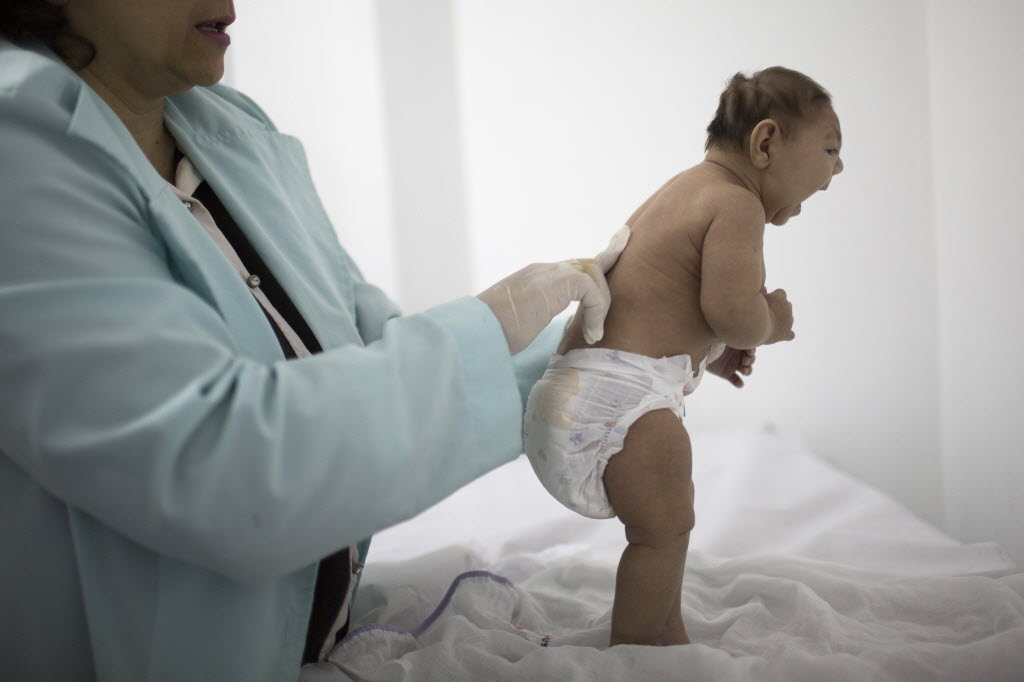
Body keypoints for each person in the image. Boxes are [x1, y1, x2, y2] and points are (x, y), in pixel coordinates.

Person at [0, 3, 628, 680]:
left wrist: (605, 350)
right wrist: (492, 320)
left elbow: (366, 360)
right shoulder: (18, 146)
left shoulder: (228, 127)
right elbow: (227, 471)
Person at [524, 66, 844, 647]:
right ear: (766, 143)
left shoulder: (688, 188)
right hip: (611, 402)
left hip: (576, 393)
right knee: (665, 529)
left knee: (661, 522)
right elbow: (732, 311)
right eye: (829, 149)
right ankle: (648, 641)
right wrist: (771, 321)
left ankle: (650, 625)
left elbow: (661, 305)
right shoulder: (736, 204)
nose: (838, 167)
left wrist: (711, 357)